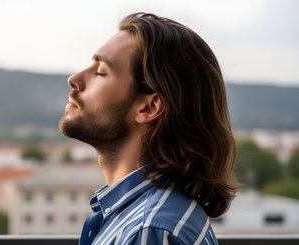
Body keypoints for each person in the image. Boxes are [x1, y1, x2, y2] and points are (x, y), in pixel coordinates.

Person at [59, 12, 238, 245]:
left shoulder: (148, 231)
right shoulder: (148, 217)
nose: (74, 79)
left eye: (101, 72)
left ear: (149, 107)